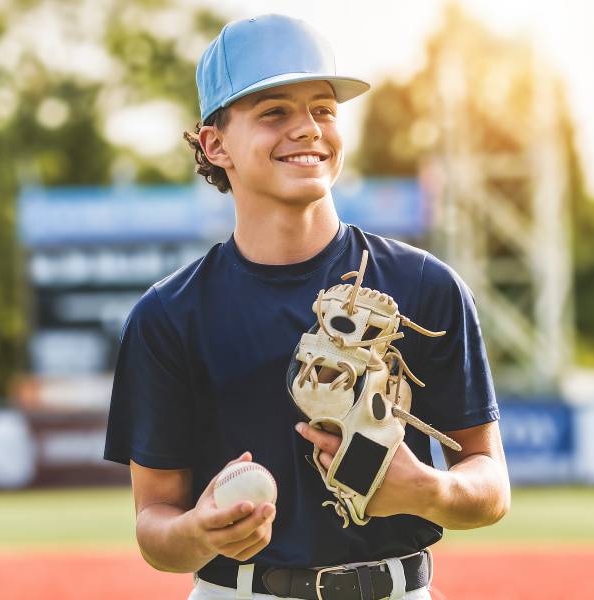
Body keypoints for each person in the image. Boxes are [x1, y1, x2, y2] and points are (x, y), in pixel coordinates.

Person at [104, 13, 510, 600]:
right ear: (216, 145)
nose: (308, 129)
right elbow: (154, 524)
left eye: (323, 109)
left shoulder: (423, 286)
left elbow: (490, 484)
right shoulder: (169, 315)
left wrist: (426, 490)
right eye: (274, 112)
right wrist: (198, 532)